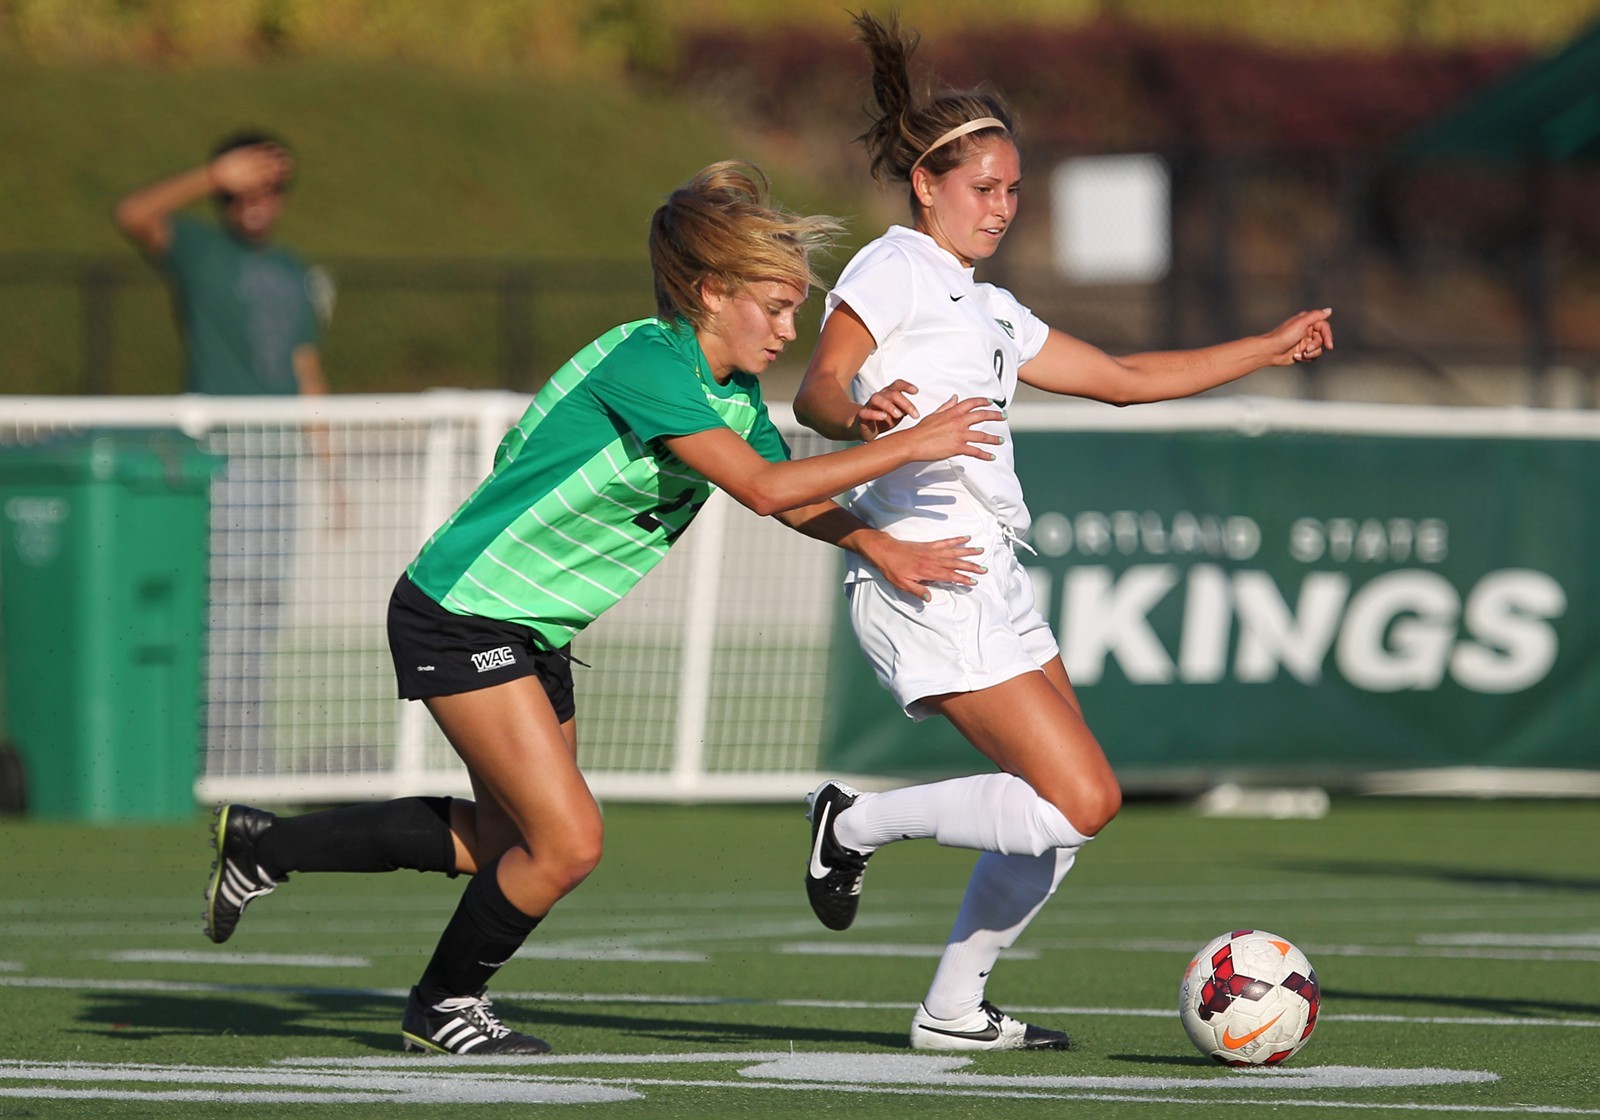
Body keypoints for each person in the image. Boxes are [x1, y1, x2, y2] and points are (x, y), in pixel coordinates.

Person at [200, 161, 1003, 1056]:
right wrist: (911, 448)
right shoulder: (649, 362)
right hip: (464, 611)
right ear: (709, 292)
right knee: (569, 841)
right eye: (773, 309)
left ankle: (267, 848)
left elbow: (792, 492)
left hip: (531, 628)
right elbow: (769, 489)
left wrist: (876, 540)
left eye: (793, 311)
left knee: (506, 844)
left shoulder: (727, 392)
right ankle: (441, 1004)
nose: (787, 331)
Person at [794, 12, 1333, 1053]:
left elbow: (1126, 383)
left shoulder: (990, 307)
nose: (1001, 206)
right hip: (927, 573)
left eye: (1012, 190)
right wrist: (854, 414)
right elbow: (818, 384)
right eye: (982, 188)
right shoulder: (895, 266)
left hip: (995, 576)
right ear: (925, 184)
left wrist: (1264, 348)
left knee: (1062, 813)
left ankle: (953, 1008)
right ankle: (851, 822)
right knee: (1081, 795)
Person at [114, 131, 334, 774]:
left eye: (272, 187)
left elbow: (305, 370)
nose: (259, 200)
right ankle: (209, 756)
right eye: (246, 186)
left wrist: (333, 475)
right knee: (225, 603)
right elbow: (133, 215)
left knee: (263, 604)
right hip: (225, 458)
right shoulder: (199, 249)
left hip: (279, 462)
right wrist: (211, 175)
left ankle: (243, 754)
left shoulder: (294, 270)